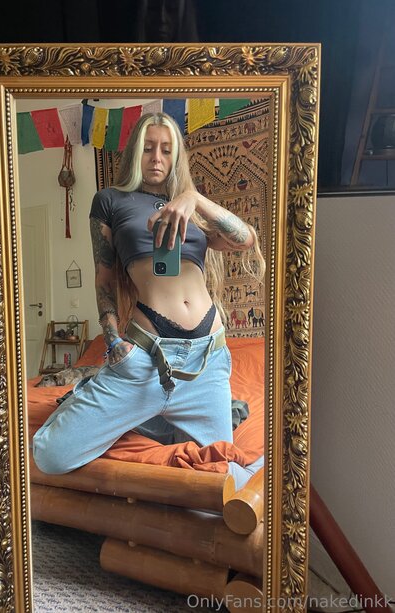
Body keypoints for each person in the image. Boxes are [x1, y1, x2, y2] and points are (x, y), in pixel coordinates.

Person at [33, 112, 265, 476]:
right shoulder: (110, 201)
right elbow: (104, 279)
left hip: (207, 360)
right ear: (134, 153)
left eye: (167, 150)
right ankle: (143, 413)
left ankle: (157, 420)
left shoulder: (191, 207)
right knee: (50, 454)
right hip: (145, 358)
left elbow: (245, 239)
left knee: (224, 475)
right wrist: (113, 342)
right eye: (148, 148)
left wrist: (193, 199)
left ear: (176, 158)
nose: (157, 158)